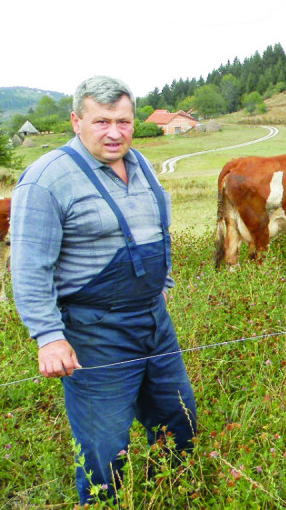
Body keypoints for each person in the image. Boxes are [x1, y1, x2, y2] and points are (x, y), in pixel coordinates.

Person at [10, 75, 197, 504]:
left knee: (178, 419)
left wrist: (161, 283)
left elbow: (157, 227)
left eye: (123, 121)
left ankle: (172, 495)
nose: (115, 133)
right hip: (95, 330)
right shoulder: (46, 180)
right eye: (102, 122)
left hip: (154, 321)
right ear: (76, 121)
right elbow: (29, 266)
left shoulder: (140, 162)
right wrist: (49, 337)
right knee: (105, 444)